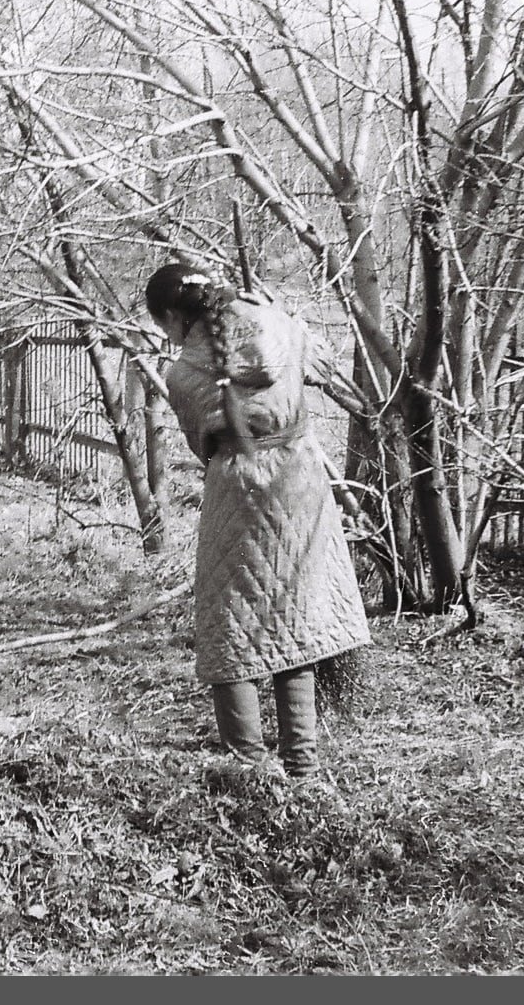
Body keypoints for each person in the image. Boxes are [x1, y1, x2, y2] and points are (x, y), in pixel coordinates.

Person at [144, 262, 371, 778]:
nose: (168, 336)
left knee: (229, 622)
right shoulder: (280, 323)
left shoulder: (182, 375)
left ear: (177, 317)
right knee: (294, 613)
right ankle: (303, 764)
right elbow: (317, 361)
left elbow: (200, 444)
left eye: (165, 325)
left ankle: (247, 764)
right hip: (302, 479)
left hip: (237, 487)